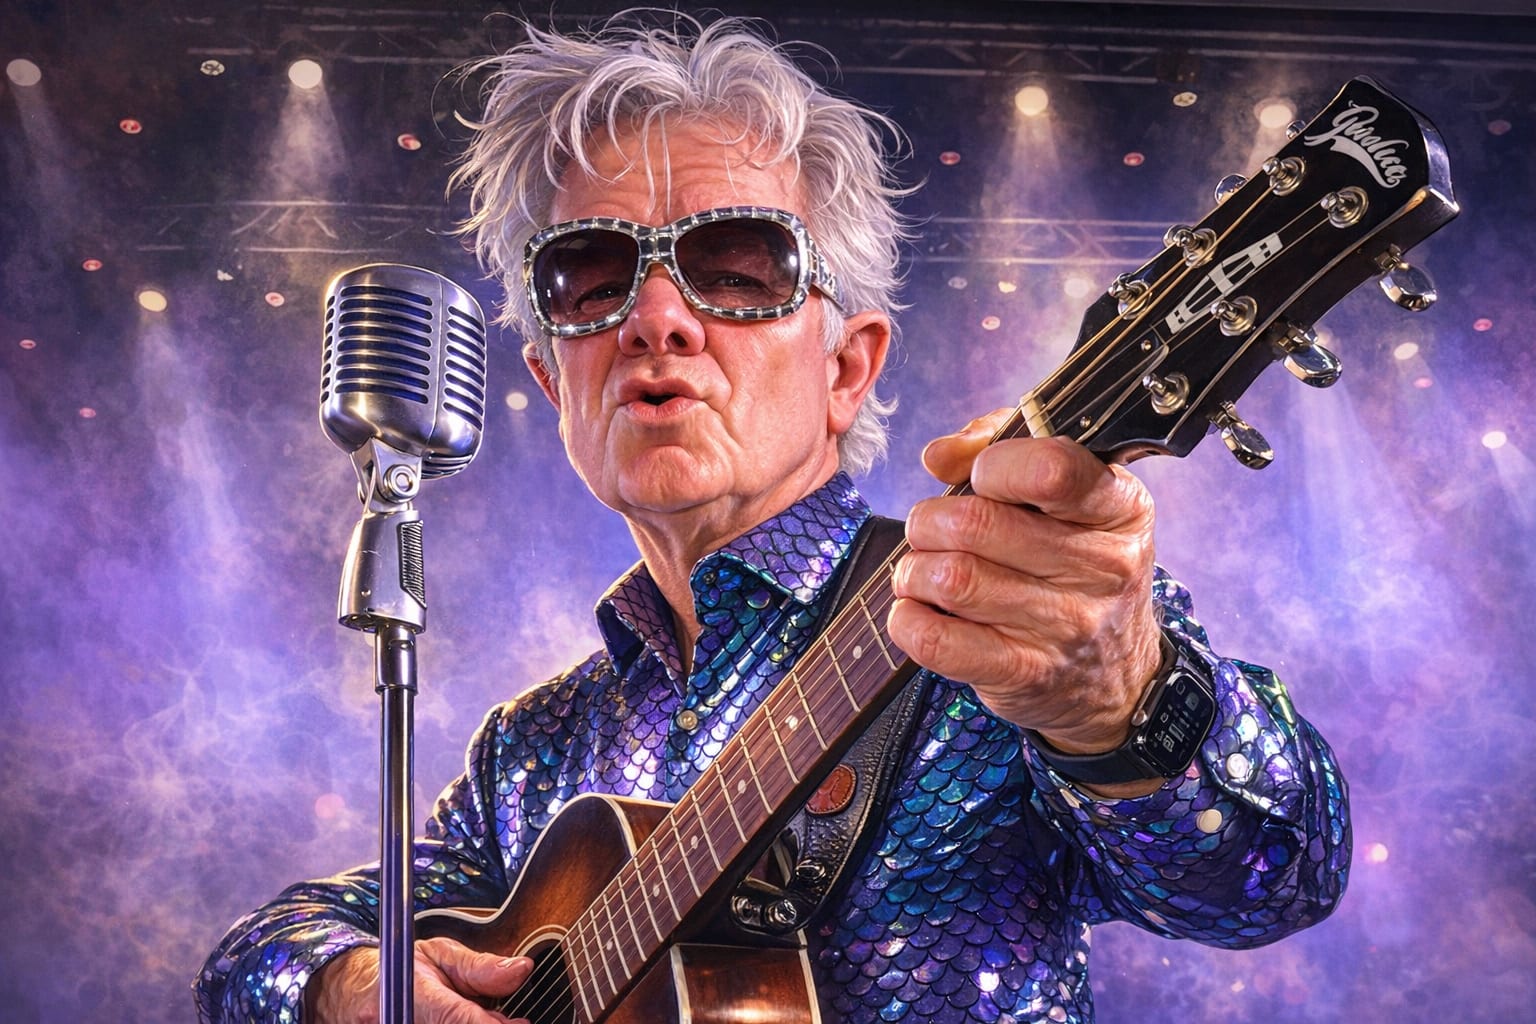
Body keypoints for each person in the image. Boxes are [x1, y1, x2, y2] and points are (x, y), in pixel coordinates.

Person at [195, 12, 1350, 1024]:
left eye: (737, 266)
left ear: (848, 366)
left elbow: (1275, 876)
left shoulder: (1009, 611)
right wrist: (341, 982)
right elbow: (257, 952)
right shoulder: (530, 749)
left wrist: (1122, 697)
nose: (654, 318)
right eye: (590, 277)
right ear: (552, 382)